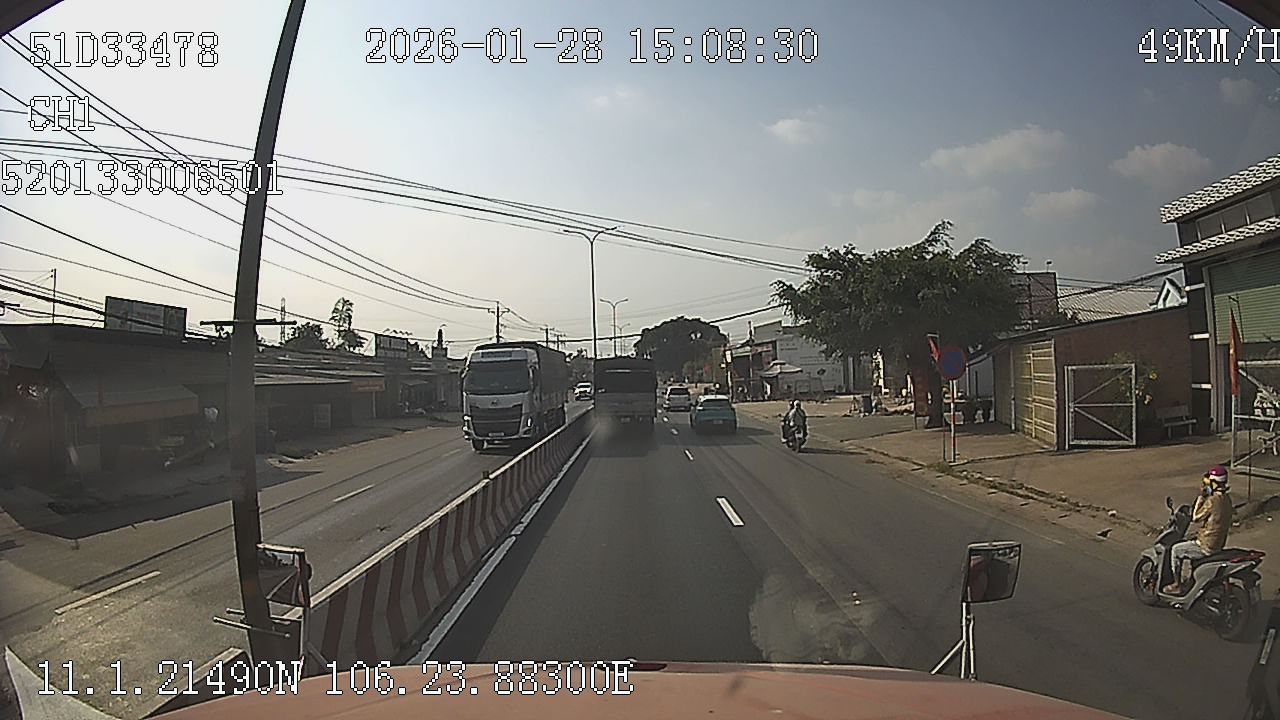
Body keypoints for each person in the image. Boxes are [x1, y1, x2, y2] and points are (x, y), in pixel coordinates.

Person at [1164, 465, 1233, 594]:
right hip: (1218, 543)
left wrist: (1201, 497)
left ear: (1214, 483)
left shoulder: (1212, 501)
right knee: (1190, 543)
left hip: (1206, 545)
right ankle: (1192, 580)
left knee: (1176, 550)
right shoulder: (1227, 500)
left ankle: (1177, 585)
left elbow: (1195, 517)